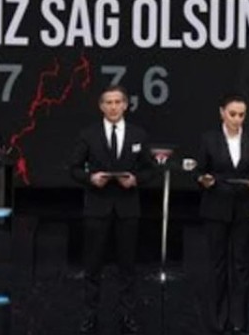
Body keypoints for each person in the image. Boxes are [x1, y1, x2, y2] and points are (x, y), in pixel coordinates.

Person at [69, 85, 155, 335]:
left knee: (127, 267)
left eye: (118, 102)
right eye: (109, 102)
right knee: (93, 266)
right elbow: (74, 168)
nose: (114, 107)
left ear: (126, 105)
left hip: (127, 208)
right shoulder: (88, 134)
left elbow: (150, 170)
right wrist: (90, 178)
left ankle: (127, 315)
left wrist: (136, 179)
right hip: (97, 207)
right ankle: (90, 315)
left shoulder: (138, 134)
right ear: (101, 106)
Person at [195, 94, 249, 335]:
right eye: (233, 114)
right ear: (222, 113)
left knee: (241, 265)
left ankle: (239, 321)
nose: (237, 119)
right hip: (216, 207)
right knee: (218, 265)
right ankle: (217, 320)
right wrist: (204, 180)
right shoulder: (209, 139)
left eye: (241, 115)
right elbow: (199, 170)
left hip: (244, 207)